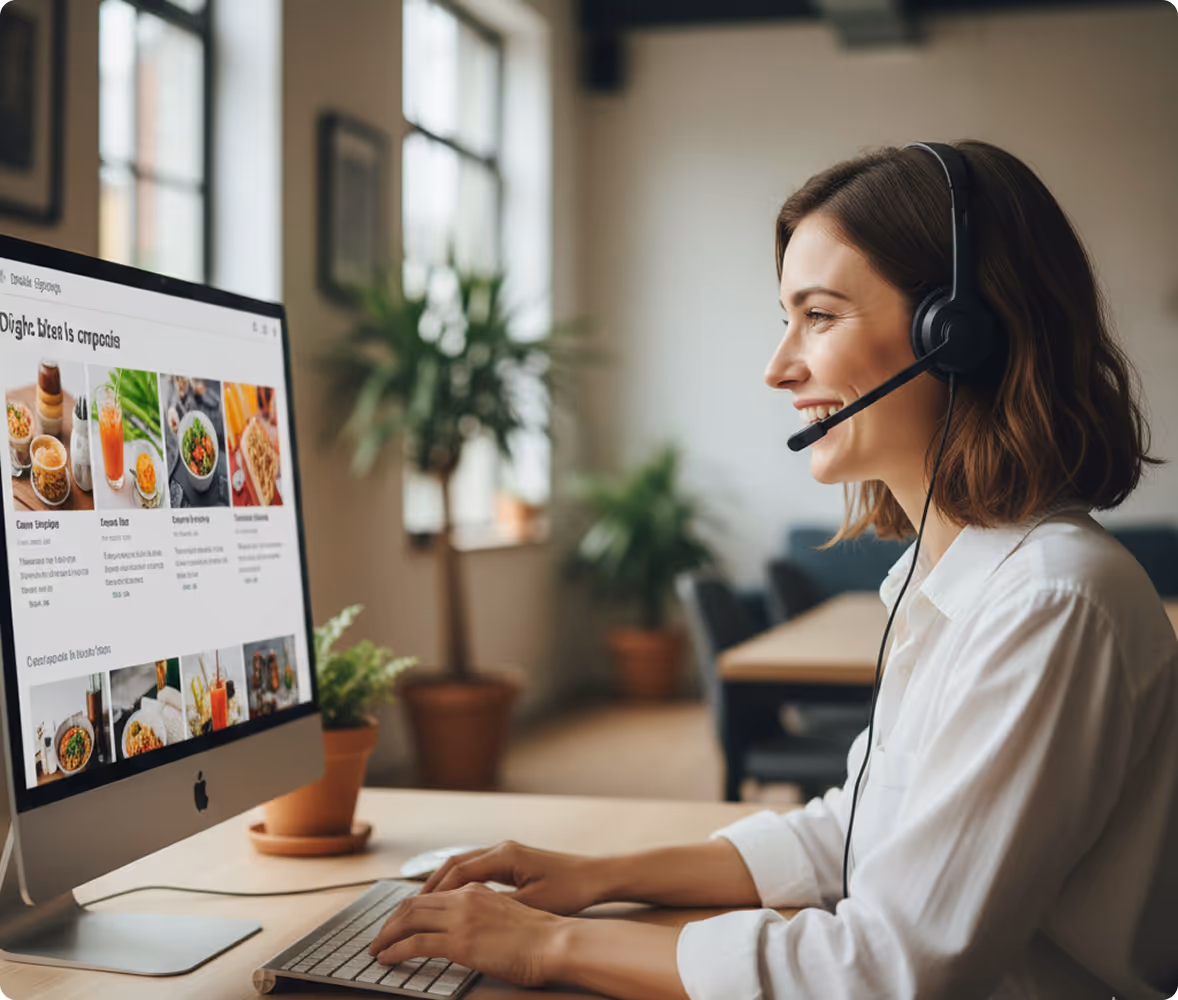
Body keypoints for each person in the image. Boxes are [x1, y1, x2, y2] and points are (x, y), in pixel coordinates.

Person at [367, 140, 1178, 1000]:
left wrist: (550, 948)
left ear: (959, 336)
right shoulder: (956, 575)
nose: (779, 365)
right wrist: (595, 877)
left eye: (819, 316)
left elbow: (887, 969)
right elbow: (860, 828)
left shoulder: (1051, 602)